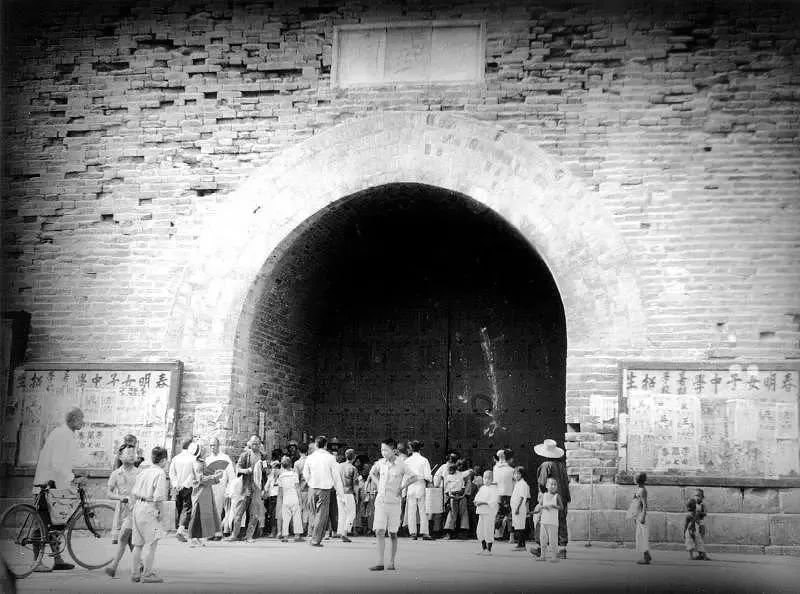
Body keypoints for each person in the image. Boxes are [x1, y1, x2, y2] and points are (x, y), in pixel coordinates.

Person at [32, 406, 85, 572]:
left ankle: (58, 559)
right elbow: (56, 464)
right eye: (81, 419)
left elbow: (63, 463)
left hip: (56, 487)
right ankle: (36, 562)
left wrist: (72, 474)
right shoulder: (62, 435)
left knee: (56, 523)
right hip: (47, 486)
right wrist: (72, 477)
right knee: (43, 524)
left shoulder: (65, 434)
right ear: (73, 420)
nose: (83, 422)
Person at [368, 438, 419, 571]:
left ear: (394, 450)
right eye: (382, 450)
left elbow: (415, 477)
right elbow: (372, 473)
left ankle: (391, 562)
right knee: (379, 531)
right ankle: (380, 562)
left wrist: (402, 487)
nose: (383, 452)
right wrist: (378, 483)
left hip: (394, 503)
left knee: (392, 533)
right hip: (381, 502)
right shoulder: (380, 463)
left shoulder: (401, 464)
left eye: (386, 450)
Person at [130, 446, 168, 583]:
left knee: (138, 544)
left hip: (138, 506)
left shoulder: (144, 471)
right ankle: (147, 574)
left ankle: (135, 573)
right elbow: (159, 497)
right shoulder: (160, 473)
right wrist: (161, 514)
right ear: (164, 460)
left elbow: (133, 492)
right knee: (152, 544)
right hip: (150, 507)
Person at [105, 442, 141, 578]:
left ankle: (113, 566)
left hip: (136, 510)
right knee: (129, 539)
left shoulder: (140, 473)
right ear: (120, 456)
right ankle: (141, 565)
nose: (132, 456)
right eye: (128, 453)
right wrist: (120, 497)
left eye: (133, 453)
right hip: (123, 511)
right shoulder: (116, 474)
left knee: (123, 537)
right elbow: (109, 493)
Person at [530, 439, 571, 559]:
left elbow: (542, 483)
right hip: (562, 497)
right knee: (561, 522)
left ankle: (540, 547)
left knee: (542, 522)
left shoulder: (545, 465)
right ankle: (562, 549)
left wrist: (542, 499)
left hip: (549, 498)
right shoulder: (562, 466)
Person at [303, 435, 344, 547]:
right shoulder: (330, 458)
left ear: (316, 445)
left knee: (313, 513)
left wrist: (310, 481)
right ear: (325, 445)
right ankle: (315, 539)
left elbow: (305, 474)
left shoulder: (310, 457)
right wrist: (341, 493)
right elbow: (336, 477)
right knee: (321, 515)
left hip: (312, 488)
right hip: (325, 489)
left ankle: (312, 535)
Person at [226, 435, 264, 542]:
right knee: (239, 513)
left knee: (254, 515)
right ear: (250, 443)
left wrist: (266, 470)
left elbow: (266, 471)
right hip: (245, 488)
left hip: (257, 489)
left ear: (260, 444)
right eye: (253, 443)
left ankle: (249, 536)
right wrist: (246, 470)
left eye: (257, 443)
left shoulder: (263, 457)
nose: (255, 445)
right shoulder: (245, 455)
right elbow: (237, 468)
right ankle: (234, 535)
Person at [187, 447, 222, 547]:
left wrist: (215, 475)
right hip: (200, 493)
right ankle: (191, 538)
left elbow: (206, 476)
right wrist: (215, 477)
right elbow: (201, 479)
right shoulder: (198, 464)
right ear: (200, 453)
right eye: (202, 449)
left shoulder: (202, 462)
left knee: (201, 516)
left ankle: (198, 537)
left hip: (205, 492)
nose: (205, 450)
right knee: (196, 516)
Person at [205, 437, 235, 540]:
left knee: (217, 510)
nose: (212, 447)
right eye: (211, 445)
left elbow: (231, 475)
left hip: (221, 488)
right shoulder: (208, 459)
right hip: (210, 487)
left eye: (214, 445)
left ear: (218, 446)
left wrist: (229, 489)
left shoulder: (225, 458)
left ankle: (218, 533)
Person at [168, 438, 197, 543]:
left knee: (179, 507)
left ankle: (180, 528)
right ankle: (180, 530)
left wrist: (176, 484)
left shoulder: (176, 458)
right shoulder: (193, 458)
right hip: (187, 487)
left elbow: (172, 473)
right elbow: (193, 474)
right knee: (187, 508)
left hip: (177, 487)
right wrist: (185, 484)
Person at [404, 440, 433, 540]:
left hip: (410, 486)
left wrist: (403, 491)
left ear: (411, 449)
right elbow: (428, 476)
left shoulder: (407, 461)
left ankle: (413, 533)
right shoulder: (424, 460)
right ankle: (425, 533)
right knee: (423, 511)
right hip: (421, 485)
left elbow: (404, 477)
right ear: (420, 448)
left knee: (411, 511)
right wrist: (428, 480)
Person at [278, 456, 304, 542]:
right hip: (294, 497)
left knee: (285, 518)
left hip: (285, 498)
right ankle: (297, 535)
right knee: (297, 517)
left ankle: (285, 536)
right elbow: (297, 488)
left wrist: (280, 502)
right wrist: (300, 500)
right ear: (290, 464)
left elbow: (280, 491)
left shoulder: (281, 476)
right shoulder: (294, 475)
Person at [536, 477, 563, 563]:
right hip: (544, 521)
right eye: (551, 484)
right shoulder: (544, 495)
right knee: (543, 539)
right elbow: (539, 506)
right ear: (547, 486)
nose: (553, 486)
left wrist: (554, 506)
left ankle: (554, 557)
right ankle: (542, 555)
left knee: (553, 540)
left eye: (555, 485)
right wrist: (543, 507)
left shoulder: (557, 496)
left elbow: (561, 507)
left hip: (553, 522)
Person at [474, 470, 499, 555]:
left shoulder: (494, 489)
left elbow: (493, 502)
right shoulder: (482, 488)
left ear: (492, 479)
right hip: (481, 512)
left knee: (488, 530)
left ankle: (489, 549)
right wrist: (476, 502)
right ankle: (484, 548)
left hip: (489, 513)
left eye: (489, 478)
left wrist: (482, 503)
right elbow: (476, 498)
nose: (486, 480)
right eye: (485, 478)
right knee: (480, 530)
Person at [492, 448, 514, 541]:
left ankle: (497, 534)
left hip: (498, 494)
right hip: (509, 494)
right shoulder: (512, 470)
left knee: (499, 513)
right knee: (510, 514)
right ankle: (511, 536)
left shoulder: (495, 468)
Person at [443, 463, 469, 539]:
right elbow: (446, 488)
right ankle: (449, 532)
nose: (451, 471)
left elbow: (466, 486)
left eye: (452, 470)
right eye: (450, 470)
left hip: (461, 495)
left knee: (463, 512)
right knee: (452, 513)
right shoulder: (447, 476)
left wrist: (463, 494)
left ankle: (463, 532)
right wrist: (449, 495)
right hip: (452, 496)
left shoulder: (461, 474)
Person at [338, 449, 358, 542]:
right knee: (351, 513)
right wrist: (356, 496)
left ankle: (341, 532)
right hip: (348, 493)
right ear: (354, 457)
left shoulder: (339, 466)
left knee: (342, 514)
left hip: (339, 493)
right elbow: (355, 484)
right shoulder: (353, 468)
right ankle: (345, 532)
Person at [684, 488, 710, 561]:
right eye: (695, 495)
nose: (697, 497)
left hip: (700, 524)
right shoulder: (692, 504)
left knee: (699, 540)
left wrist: (700, 513)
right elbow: (688, 518)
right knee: (691, 540)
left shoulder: (702, 505)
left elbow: (705, 513)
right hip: (692, 525)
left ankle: (702, 555)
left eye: (698, 495)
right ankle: (692, 555)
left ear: (702, 497)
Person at [510, 466, 530, 551]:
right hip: (515, 508)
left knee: (520, 527)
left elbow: (522, 497)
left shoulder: (523, 484)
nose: (516, 475)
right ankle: (521, 544)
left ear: (522, 474)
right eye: (515, 473)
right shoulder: (517, 483)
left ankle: (521, 545)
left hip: (519, 508)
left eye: (518, 473)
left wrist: (518, 508)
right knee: (517, 526)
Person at [293, 442, 310, 536]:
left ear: (299, 451)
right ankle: (306, 529)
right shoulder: (310, 461)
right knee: (308, 510)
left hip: (300, 489)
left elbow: (296, 479)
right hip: (310, 488)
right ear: (307, 450)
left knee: (299, 510)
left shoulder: (297, 463)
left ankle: (298, 532)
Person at [263, 460, 281, 538]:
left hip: (279, 497)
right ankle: (274, 531)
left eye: (277, 468)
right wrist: (264, 493)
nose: (275, 469)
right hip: (272, 498)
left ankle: (276, 532)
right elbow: (266, 487)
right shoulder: (270, 477)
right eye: (274, 468)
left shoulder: (282, 476)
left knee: (276, 515)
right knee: (272, 515)